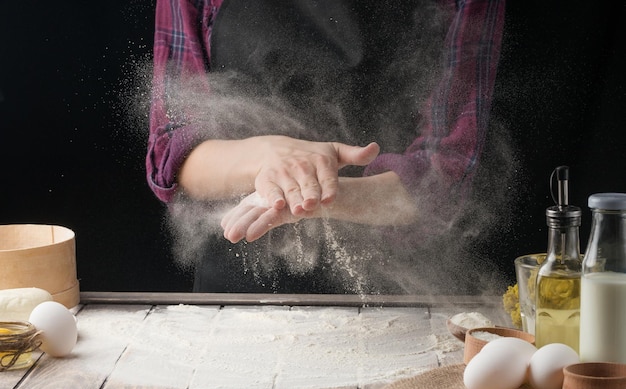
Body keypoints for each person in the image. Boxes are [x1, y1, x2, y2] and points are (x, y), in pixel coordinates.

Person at [146, 0, 506, 294]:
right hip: (238, 298)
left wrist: (316, 195)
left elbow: (446, 173)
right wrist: (270, 157)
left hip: (399, 300)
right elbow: (170, 154)